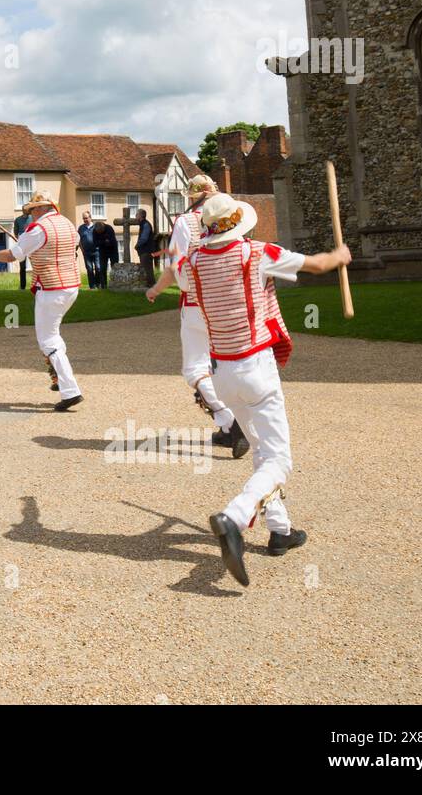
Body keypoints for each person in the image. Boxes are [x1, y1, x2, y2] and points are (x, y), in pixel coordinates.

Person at [183, 192, 351, 588]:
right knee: (279, 460)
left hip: (222, 371)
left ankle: (280, 530)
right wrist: (340, 255)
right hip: (256, 366)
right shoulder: (258, 254)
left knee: (261, 450)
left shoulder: (192, 263)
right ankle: (235, 517)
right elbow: (317, 264)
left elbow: (179, 268)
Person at [145, 174, 248, 457]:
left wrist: (155, 289)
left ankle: (230, 421)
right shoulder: (235, 217)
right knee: (223, 365)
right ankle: (229, 429)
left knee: (195, 368)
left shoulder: (185, 221)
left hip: (197, 302)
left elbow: (174, 264)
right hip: (229, 302)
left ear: (193, 197)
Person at [0, 190, 83, 411]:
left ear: (40, 208)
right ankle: (59, 377)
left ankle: (70, 389)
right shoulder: (67, 223)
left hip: (51, 288)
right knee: (53, 335)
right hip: (72, 286)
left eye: (32, 210)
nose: (31, 214)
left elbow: (12, 256)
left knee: (48, 340)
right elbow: (71, 245)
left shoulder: (37, 229)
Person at [93, 218, 118, 289]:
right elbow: (95, 243)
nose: (100, 233)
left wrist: (101, 241)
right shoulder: (95, 231)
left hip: (113, 250)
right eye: (99, 233)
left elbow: (111, 242)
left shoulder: (109, 228)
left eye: (101, 232)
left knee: (114, 266)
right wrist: (104, 241)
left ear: (103, 227)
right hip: (103, 251)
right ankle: (104, 285)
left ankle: (115, 284)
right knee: (103, 268)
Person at [135, 208, 157, 287]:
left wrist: (137, 245)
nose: (135, 217)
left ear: (140, 216)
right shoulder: (143, 224)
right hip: (145, 250)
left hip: (146, 251)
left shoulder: (145, 225)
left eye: (136, 215)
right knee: (147, 268)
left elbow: (144, 238)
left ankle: (151, 285)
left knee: (147, 269)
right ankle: (150, 285)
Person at [78, 211, 98, 289]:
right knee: (89, 269)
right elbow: (78, 239)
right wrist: (82, 249)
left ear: (90, 218)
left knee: (98, 268)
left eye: (86, 218)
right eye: (83, 218)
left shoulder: (95, 226)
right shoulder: (81, 228)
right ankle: (92, 286)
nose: (85, 220)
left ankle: (98, 284)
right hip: (86, 252)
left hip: (96, 251)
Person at [13, 209, 31, 289]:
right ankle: (22, 286)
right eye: (25, 209)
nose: (27, 211)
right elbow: (16, 233)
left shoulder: (33, 218)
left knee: (36, 265)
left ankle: (38, 285)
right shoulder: (18, 220)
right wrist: (21, 241)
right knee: (22, 266)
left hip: (32, 243)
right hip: (22, 244)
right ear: (23, 210)